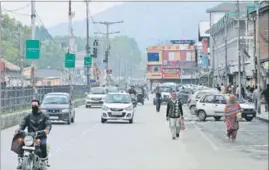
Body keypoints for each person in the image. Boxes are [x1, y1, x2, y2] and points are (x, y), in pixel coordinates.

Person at [15, 100, 52, 169]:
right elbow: (23, 124)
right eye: (32, 105)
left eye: (35, 105)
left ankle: (43, 162)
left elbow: (48, 123)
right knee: (20, 142)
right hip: (29, 136)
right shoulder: (28, 115)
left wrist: (47, 129)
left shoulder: (44, 115)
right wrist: (19, 129)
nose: (34, 107)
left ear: (39, 106)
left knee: (43, 144)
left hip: (41, 136)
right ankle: (21, 161)